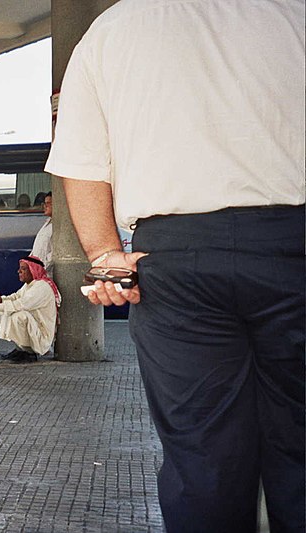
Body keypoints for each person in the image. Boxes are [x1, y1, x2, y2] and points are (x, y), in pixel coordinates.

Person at [45, 2, 304, 531]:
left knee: (202, 455)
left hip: (175, 258)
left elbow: (83, 163)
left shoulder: (110, 31)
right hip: (295, 242)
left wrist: (106, 259)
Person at [0, 256, 59, 363]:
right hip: (34, 329)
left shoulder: (41, 287)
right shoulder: (29, 285)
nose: (19, 271)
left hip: (42, 336)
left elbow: (22, 304)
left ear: (33, 270)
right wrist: (1, 300)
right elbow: (16, 297)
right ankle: (21, 349)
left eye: (23, 269)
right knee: (5, 311)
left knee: (19, 316)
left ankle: (29, 352)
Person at [30, 191, 52, 277]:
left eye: (49, 203)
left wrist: (41, 270)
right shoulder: (46, 224)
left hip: (45, 273)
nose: (45, 206)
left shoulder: (58, 227)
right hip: (36, 271)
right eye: (44, 203)